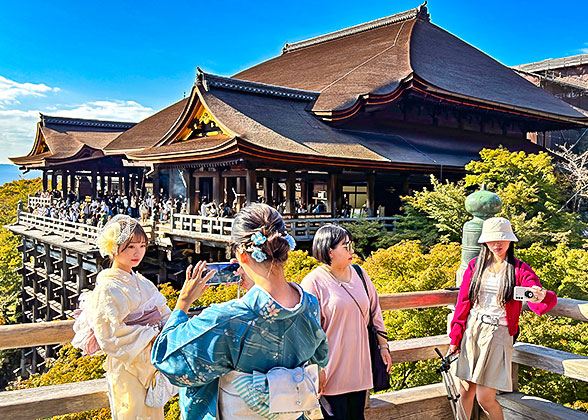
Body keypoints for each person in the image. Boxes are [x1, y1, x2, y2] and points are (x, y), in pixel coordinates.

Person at [152, 203, 329, 419]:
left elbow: (166, 359)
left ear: (242, 255)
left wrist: (183, 304)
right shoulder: (309, 305)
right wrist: (256, 285)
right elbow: (319, 359)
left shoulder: (226, 319)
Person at [448, 217, 557, 420]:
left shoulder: (519, 269)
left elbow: (536, 296)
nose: (497, 245)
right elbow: (463, 302)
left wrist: (541, 295)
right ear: (484, 242)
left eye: (502, 240)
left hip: (499, 333)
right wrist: (456, 337)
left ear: (510, 241)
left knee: (484, 397)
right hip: (472, 329)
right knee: (464, 391)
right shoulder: (475, 265)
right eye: (492, 240)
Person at [74, 215, 172, 420]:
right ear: (114, 248)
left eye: (142, 246)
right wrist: (152, 335)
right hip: (127, 364)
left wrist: (167, 329)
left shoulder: (142, 282)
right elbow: (109, 335)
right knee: (131, 412)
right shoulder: (108, 287)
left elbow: (164, 313)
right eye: (130, 247)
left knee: (153, 413)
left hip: (150, 361)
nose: (138, 253)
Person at [301, 224, 392, 420]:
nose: (352, 251)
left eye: (351, 245)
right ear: (329, 251)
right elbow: (308, 330)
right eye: (346, 246)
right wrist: (317, 367)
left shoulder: (360, 274)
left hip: (359, 364)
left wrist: (383, 346)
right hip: (330, 367)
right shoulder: (313, 282)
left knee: (357, 415)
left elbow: (375, 311)